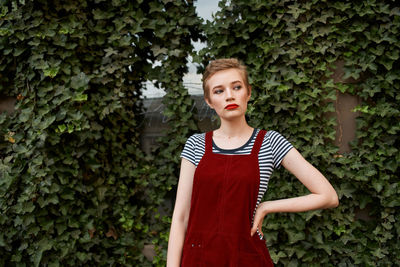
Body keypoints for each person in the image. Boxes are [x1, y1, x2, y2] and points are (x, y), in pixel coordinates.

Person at [166, 58, 339, 266]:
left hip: (247, 257)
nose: (229, 95)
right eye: (219, 91)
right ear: (209, 101)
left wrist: (267, 206)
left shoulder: (270, 142)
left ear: (248, 92)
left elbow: (328, 196)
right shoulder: (196, 145)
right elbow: (181, 218)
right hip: (198, 259)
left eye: (236, 87)